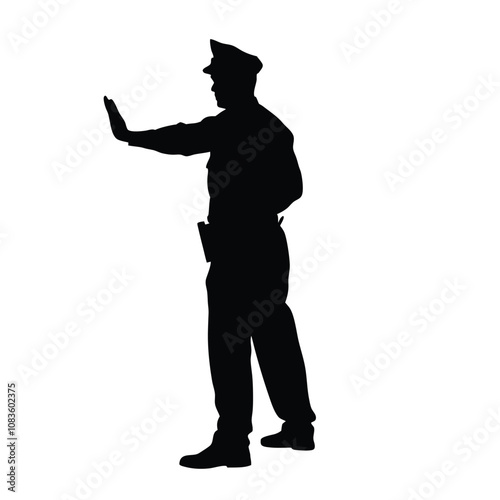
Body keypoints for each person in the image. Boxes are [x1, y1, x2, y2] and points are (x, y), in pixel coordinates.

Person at [104, 39, 316, 469]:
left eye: (218, 80)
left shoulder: (237, 124)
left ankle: (234, 442)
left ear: (239, 82)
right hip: (266, 250)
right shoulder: (270, 126)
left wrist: (130, 136)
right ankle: (298, 427)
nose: (213, 87)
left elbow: (185, 138)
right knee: (275, 337)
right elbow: (289, 188)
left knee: (229, 345)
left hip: (239, 253)